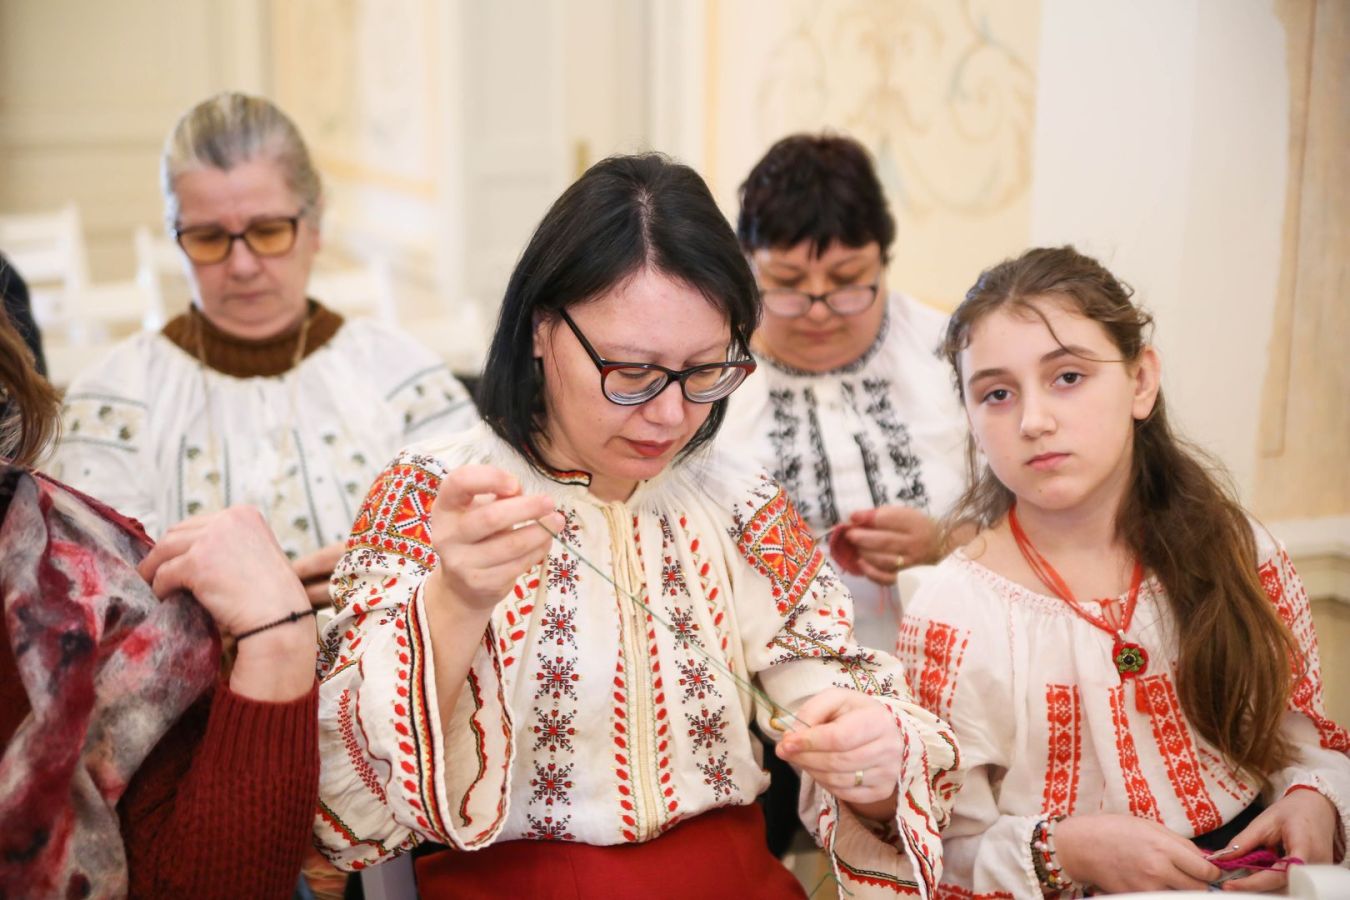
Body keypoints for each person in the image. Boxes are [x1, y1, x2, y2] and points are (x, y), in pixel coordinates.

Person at [314, 154, 960, 898]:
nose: (669, 415)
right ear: (540, 329)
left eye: (705, 371)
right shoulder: (432, 495)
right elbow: (343, 800)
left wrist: (870, 755)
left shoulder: (740, 503)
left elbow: (830, 687)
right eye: (631, 372)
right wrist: (455, 601)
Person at [897, 246, 1349, 896]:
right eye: (996, 394)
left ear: (1140, 382)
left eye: (1068, 377)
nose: (1034, 421)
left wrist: (1314, 796)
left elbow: (1303, 740)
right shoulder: (956, 615)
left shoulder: (1237, 550)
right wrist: (1065, 852)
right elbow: (939, 849)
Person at [52, 92, 477, 604]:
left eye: (269, 231)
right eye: (208, 238)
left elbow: (471, 551)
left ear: (315, 225)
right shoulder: (114, 399)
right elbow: (104, 597)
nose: (243, 265)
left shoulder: (403, 379)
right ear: (175, 236)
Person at [0, 303, 320, 899]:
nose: (243, 265)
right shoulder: (119, 384)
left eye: (270, 244)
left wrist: (277, 635)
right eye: (210, 248)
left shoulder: (95, 577)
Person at [721, 133, 966, 651]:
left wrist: (947, 543)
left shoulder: (952, 355)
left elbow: (1045, 515)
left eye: (847, 279)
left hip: (946, 666)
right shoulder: (707, 376)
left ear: (883, 262)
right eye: (787, 282)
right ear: (746, 267)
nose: (818, 310)